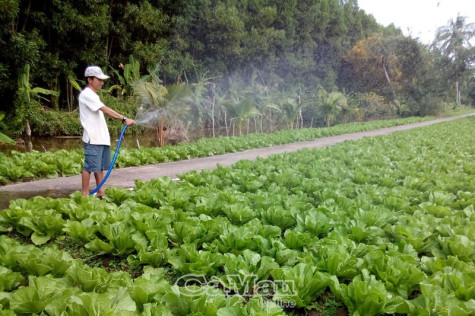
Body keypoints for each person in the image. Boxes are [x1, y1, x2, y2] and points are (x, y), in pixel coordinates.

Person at [79, 65, 135, 197]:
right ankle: (85, 194)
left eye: (102, 80)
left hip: (101, 138)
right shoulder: (87, 94)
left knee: (99, 167)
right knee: (89, 166)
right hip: (92, 138)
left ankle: (100, 192)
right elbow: (105, 109)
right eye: (99, 79)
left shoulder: (94, 95)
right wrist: (124, 118)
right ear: (90, 80)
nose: (101, 82)